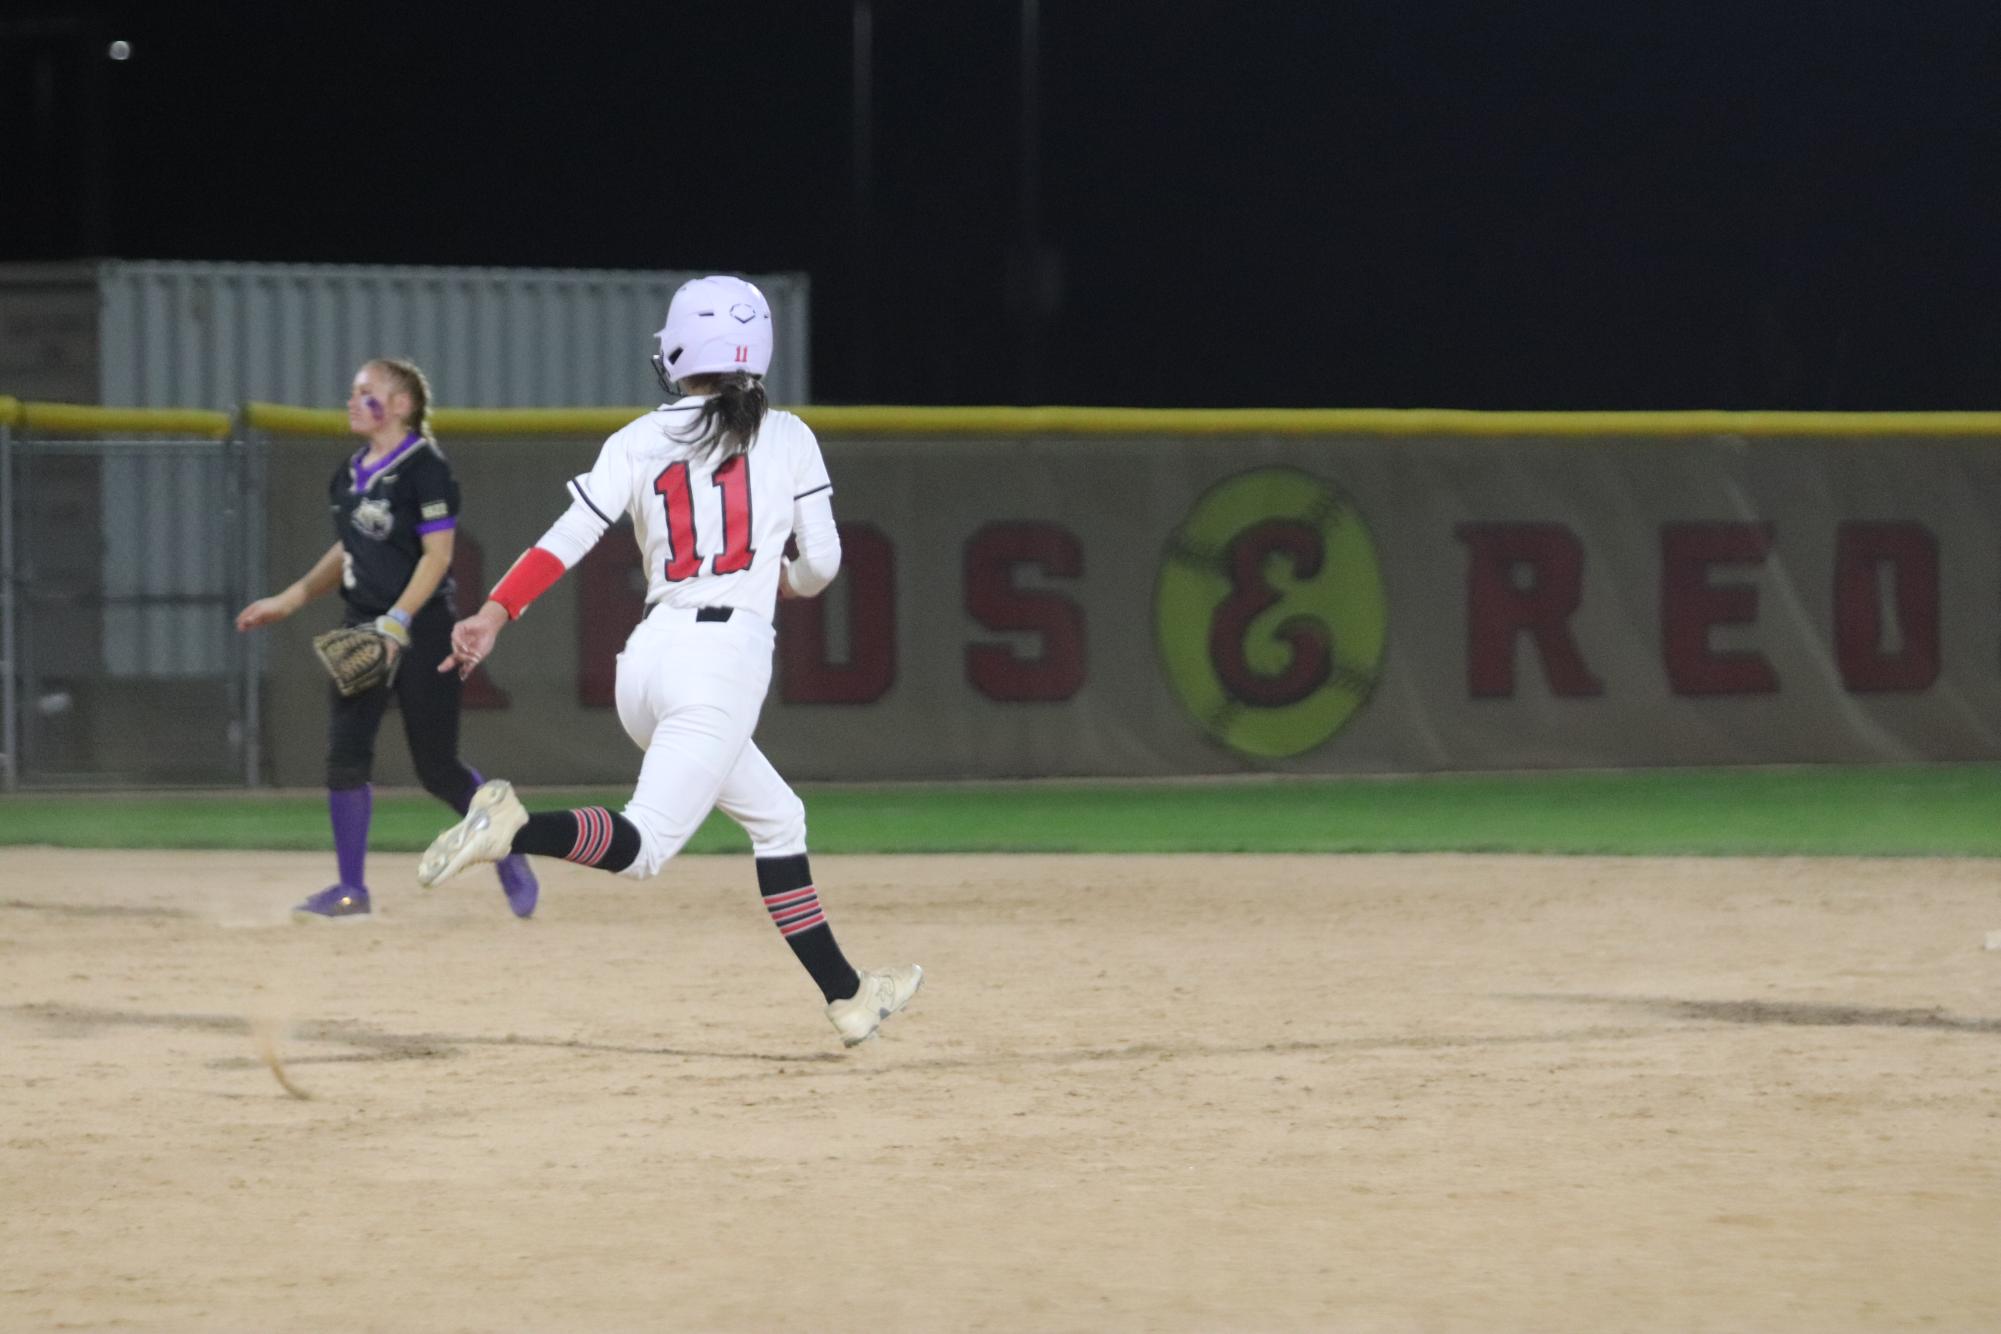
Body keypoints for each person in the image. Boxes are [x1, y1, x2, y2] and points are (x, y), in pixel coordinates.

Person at [415, 276, 922, 1047]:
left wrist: (493, 612)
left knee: (779, 819)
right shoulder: (787, 435)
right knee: (645, 846)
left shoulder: (637, 438)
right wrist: (778, 579)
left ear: (683, 350)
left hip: (646, 662)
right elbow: (822, 563)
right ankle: (511, 829)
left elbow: (567, 537)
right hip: (719, 664)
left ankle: (849, 997)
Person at [235, 358, 539, 922]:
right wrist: (292, 597)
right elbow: (348, 550)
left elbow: (438, 556)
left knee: (436, 765)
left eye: (366, 393)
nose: (352, 401)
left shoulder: (426, 469)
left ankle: (507, 847)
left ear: (400, 406)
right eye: (353, 392)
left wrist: (398, 619)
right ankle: (352, 889)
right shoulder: (347, 474)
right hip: (363, 624)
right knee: (345, 757)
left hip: (421, 627)